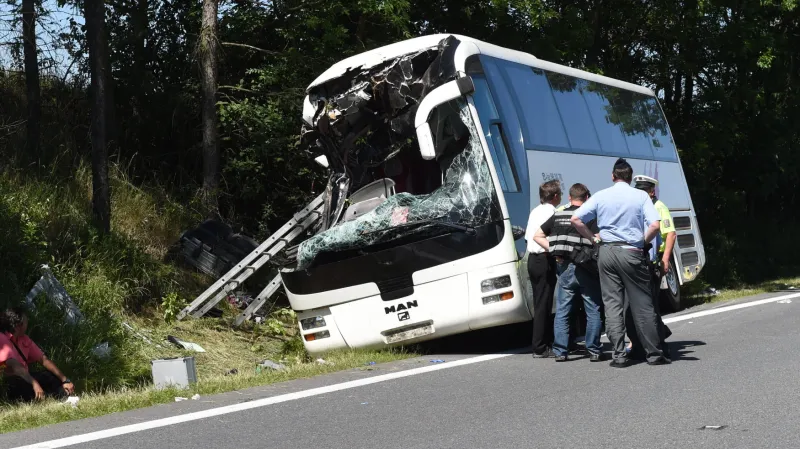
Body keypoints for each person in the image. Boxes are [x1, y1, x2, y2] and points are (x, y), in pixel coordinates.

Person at [571, 158, 670, 367]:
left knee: (612, 304)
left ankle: (619, 355)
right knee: (643, 304)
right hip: (632, 251)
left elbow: (576, 219)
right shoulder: (641, 196)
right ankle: (654, 354)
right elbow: (654, 225)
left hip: (606, 252)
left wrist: (593, 238)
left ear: (613, 176)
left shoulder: (601, 195)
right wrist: (641, 242)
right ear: (630, 177)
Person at [533, 183, 603, 362]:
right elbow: (599, 238)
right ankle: (593, 350)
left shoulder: (558, 215)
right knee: (592, 308)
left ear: (569, 198)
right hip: (586, 267)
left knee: (564, 309)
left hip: (564, 267)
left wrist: (555, 248)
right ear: (587, 198)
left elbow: (537, 235)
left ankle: (560, 351)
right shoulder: (589, 216)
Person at [632, 175, 674, 345]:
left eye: (644, 191)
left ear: (651, 191)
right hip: (639, 258)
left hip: (654, 260)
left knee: (649, 301)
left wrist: (665, 260)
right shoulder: (639, 206)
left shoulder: (659, 207)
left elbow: (670, 234)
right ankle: (658, 333)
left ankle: (657, 339)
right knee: (644, 301)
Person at [0, 306, 75, 402]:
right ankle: (53, 399)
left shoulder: (24, 339)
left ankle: (63, 396)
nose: (28, 324)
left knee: (51, 376)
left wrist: (65, 380)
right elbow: (15, 366)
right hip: (10, 382)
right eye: (26, 321)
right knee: (23, 388)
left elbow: (43, 360)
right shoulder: (2, 338)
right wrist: (34, 383)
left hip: (26, 378)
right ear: (19, 325)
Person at [526, 180, 562, 358]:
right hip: (544, 259)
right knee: (544, 304)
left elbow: (528, 238)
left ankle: (542, 342)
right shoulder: (552, 212)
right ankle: (540, 346)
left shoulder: (535, 211)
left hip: (533, 259)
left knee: (539, 302)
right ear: (555, 196)